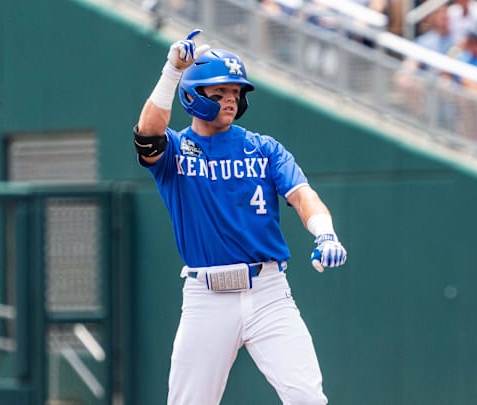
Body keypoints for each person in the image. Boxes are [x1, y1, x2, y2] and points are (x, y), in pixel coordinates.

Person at [134, 29, 348, 405]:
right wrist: (171, 72)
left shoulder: (264, 148)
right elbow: (147, 135)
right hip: (207, 295)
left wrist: (325, 232)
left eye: (235, 92)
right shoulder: (177, 150)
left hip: (268, 292)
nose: (230, 99)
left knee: (307, 398)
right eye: (219, 92)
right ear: (193, 96)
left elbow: (303, 196)